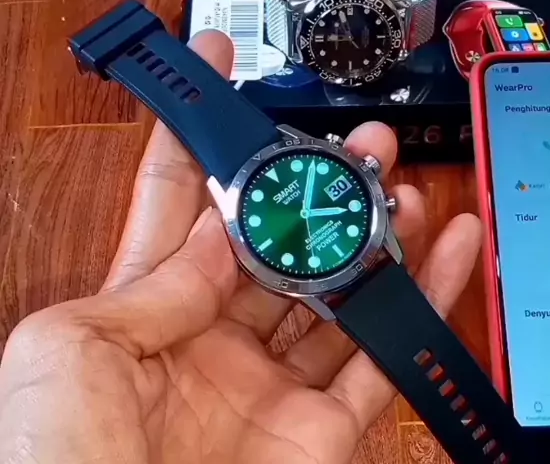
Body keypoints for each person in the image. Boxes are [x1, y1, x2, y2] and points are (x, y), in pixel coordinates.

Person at [0, 31, 481, 464]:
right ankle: (121, 38)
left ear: (366, 179)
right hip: (339, 273)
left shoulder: (305, 190)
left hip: (361, 261)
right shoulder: (250, 219)